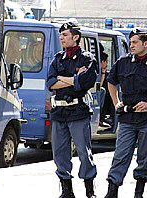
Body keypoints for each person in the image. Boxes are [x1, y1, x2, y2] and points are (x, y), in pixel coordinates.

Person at [104, 28, 147, 198]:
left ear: (145, 44)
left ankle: (139, 192)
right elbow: (111, 82)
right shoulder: (123, 62)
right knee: (120, 155)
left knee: (144, 157)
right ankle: (112, 191)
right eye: (130, 42)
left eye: (134, 42)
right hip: (127, 118)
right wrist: (116, 102)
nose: (131, 45)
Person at [47, 22, 97, 198]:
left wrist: (66, 79)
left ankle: (89, 191)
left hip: (78, 111)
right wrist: (73, 78)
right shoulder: (58, 58)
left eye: (65, 35)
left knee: (84, 152)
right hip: (59, 112)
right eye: (61, 35)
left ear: (76, 37)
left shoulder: (87, 59)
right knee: (60, 154)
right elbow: (50, 83)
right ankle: (67, 191)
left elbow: (85, 83)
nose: (61, 37)